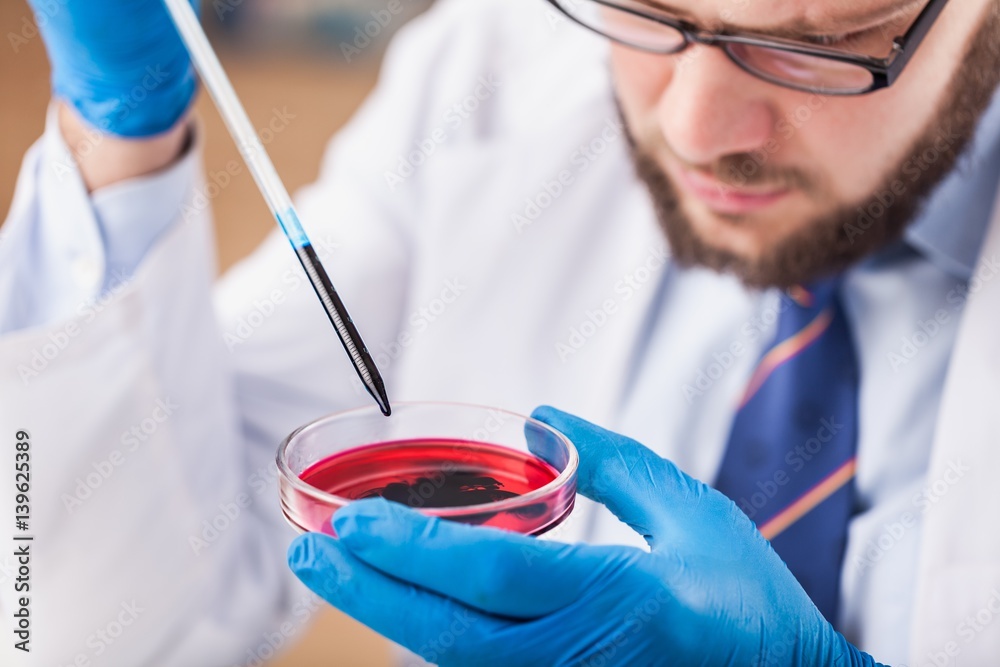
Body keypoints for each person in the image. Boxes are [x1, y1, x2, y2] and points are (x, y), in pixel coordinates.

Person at [2, 0, 999, 664]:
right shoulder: (500, 69)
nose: (696, 129)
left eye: (815, 40)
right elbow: (110, 625)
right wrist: (122, 136)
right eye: (648, 6)